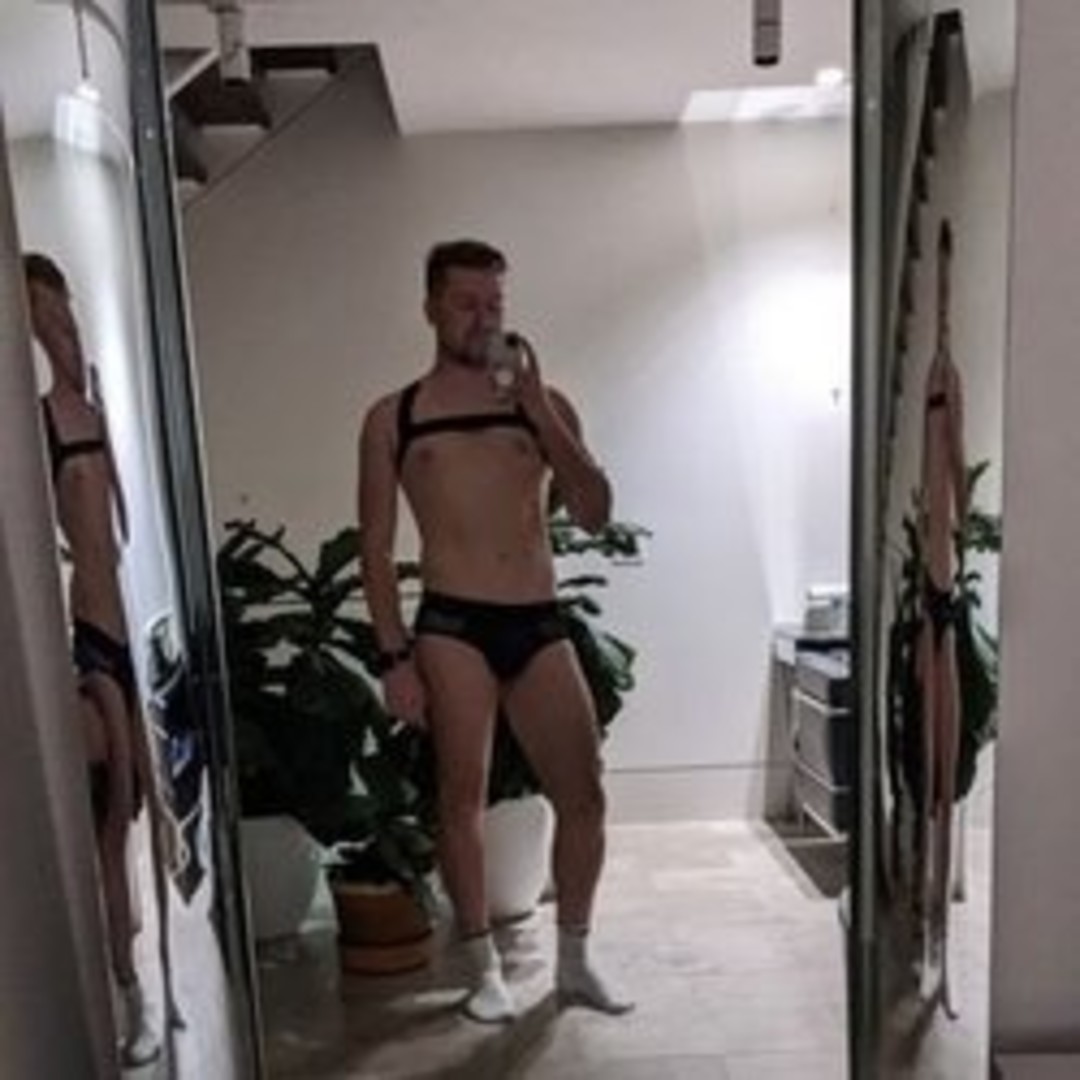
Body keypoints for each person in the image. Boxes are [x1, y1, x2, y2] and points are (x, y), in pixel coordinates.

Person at [357, 239, 632, 1022]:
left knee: (585, 794)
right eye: (466, 303)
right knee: (461, 800)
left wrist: (538, 407)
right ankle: (483, 969)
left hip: (537, 621)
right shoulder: (395, 416)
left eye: (495, 304)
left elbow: (594, 511)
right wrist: (393, 659)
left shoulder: (546, 406)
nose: (483, 318)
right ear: (431, 308)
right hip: (453, 624)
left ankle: (574, 961)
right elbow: (374, 550)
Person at [24, 252, 176, 1066]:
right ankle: (130, 994)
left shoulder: (100, 407)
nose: (58, 324)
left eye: (60, 306)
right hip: (87, 635)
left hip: (134, 627)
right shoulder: (37, 424)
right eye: (39, 312)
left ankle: (163, 982)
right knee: (112, 822)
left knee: (161, 819)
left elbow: (129, 531)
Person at [915, 220, 966, 1018]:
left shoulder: (947, 376)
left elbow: (958, 472)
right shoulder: (932, 374)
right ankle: (925, 939)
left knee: (945, 769)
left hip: (944, 601)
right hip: (922, 606)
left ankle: (942, 949)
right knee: (921, 763)